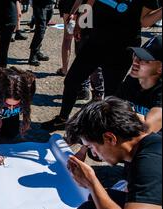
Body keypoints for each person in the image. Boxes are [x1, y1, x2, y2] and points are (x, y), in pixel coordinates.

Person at [41, 0, 162, 131]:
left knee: (112, 93)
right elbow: (91, 2)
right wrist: (80, 23)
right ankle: (63, 119)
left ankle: (107, 129)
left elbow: (144, 21)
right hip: (94, 42)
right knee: (71, 80)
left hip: (121, 50)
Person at [116, 36, 162, 134]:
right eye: (136, 56)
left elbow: (146, 130)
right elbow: (109, 107)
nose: (135, 62)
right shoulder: (133, 80)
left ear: (160, 69)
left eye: (145, 60)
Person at [28, 0, 54, 66]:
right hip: (40, 4)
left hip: (50, 3)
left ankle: (37, 51)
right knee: (40, 30)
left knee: (43, 28)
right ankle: (32, 55)